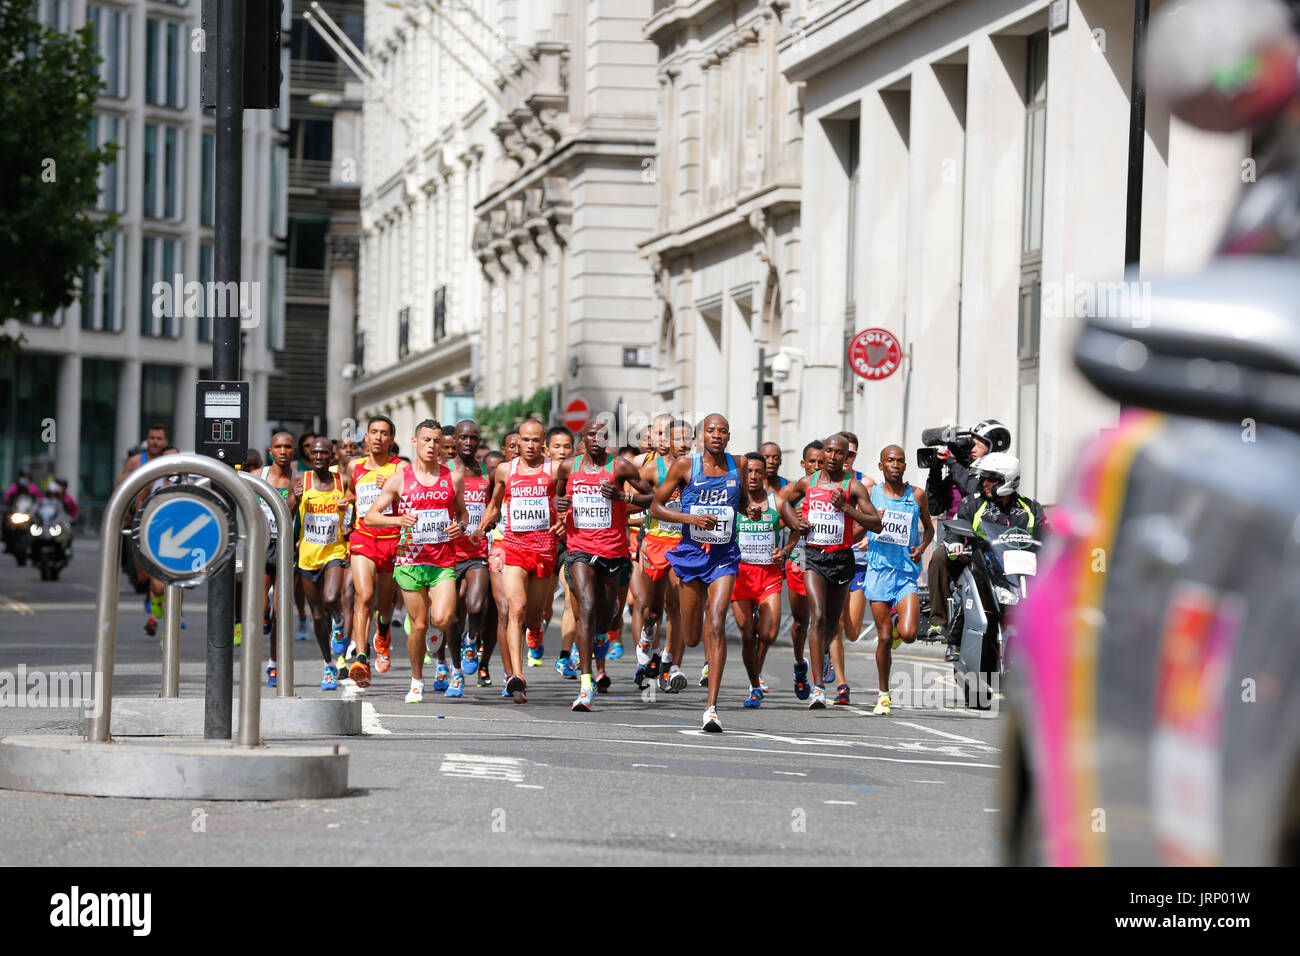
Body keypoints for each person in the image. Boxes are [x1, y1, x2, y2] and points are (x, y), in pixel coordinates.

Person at [650, 414, 763, 732]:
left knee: (716, 623)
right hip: (689, 556)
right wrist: (691, 520)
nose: (717, 435)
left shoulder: (738, 464)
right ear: (701, 436)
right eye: (711, 430)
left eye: (723, 430)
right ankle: (677, 656)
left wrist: (750, 510)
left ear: (729, 436)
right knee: (692, 635)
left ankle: (711, 707)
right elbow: (656, 507)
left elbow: (740, 504)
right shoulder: (685, 465)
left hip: (724, 557)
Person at [364, 420, 469, 701]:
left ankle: (437, 631)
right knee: (418, 625)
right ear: (415, 442)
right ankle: (416, 681)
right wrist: (399, 520)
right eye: (426, 440)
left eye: (436, 441)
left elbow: (463, 514)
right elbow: (371, 516)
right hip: (409, 562)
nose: (432, 446)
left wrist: (460, 525)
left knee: (443, 618)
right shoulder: (400, 478)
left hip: (442, 560)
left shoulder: (453, 477)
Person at [778, 433, 881, 709]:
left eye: (839, 453)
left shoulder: (854, 487)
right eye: (829, 451)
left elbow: (875, 524)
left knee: (833, 625)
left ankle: (821, 652)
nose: (833, 457)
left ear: (847, 458)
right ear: (822, 454)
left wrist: (846, 507)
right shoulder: (807, 482)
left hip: (841, 560)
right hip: (812, 556)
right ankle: (819, 689)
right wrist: (795, 524)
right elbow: (786, 503)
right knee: (818, 615)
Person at [562, 421, 653, 711]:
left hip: (612, 550)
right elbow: (555, 495)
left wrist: (622, 497)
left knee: (606, 616)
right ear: (583, 439)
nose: (597, 440)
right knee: (586, 607)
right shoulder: (568, 467)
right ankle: (586, 683)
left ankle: (603, 631)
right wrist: (559, 503)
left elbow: (651, 497)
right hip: (579, 548)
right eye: (591, 435)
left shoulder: (621, 466)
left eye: (603, 436)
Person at [478, 419, 567, 702]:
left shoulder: (554, 469)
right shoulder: (505, 470)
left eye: (534, 440)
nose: (529, 446)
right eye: (524, 440)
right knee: (515, 608)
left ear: (543, 443)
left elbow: (568, 499)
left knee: (534, 616)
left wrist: (565, 520)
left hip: (544, 549)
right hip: (513, 548)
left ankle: (535, 632)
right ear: (519, 441)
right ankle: (516, 676)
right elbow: (494, 504)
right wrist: (479, 530)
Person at [863, 445, 934, 715]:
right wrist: (869, 525)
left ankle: (897, 628)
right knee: (882, 638)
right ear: (881, 466)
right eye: (890, 460)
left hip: (905, 573)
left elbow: (928, 528)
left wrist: (922, 547)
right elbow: (858, 522)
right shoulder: (872, 495)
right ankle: (883, 695)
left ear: (905, 466)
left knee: (908, 633)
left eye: (900, 461)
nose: (895, 464)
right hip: (879, 571)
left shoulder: (916, 495)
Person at [287, 437, 354, 691]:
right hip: (307, 555)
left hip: (334, 551)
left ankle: (338, 620)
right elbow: (287, 513)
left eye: (324, 453)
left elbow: (352, 509)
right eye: (314, 453)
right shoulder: (300, 481)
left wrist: (347, 513)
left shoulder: (342, 481)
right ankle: (328, 664)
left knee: (330, 598)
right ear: (309, 457)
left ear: (331, 456)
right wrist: (294, 499)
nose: (318, 457)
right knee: (316, 615)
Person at [763, 439, 823, 698]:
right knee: (802, 621)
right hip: (799, 558)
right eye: (812, 462)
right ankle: (800, 663)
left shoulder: (837, 487)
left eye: (821, 462)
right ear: (803, 464)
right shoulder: (794, 489)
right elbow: (775, 519)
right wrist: (793, 522)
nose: (817, 466)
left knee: (822, 617)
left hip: (826, 558)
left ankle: (823, 660)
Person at [347, 417, 400, 684]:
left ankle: (382, 633)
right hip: (363, 537)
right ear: (366, 437)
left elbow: (412, 500)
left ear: (391, 439)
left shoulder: (400, 468)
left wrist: (391, 491)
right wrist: (344, 501)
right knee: (364, 595)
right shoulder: (353, 466)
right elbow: (350, 493)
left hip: (392, 540)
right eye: (373, 432)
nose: (378, 437)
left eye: (384, 433)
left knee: (384, 604)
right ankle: (360, 656)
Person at [731, 453, 787, 708]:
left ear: (765, 475)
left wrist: (784, 552)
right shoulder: (733, 502)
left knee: (769, 634)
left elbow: (797, 528)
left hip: (768, 576)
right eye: (748, 472)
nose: (753, 477)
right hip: (740, 575)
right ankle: (754, 685)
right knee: (746, 635)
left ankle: (757, 673)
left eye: (758, 472)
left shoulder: (777, 501)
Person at [448, 421, 494, 684]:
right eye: (463, 437)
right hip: (449, 553)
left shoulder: (487, 474)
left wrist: (491, 521)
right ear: (455, 439)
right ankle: (455, 668)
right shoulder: (445, 472)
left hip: (478, 550)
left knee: (476, 606)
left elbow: (492, 506)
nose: (468, 442)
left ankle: (471, 638)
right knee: (451, 616)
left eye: (473, 438)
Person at [259, 431, 296, 687]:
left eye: (287, 447)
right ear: (270, 451)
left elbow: (290, 511)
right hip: (262, 547)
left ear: (293, 451)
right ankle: (263, 617)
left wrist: (297, 496)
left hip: (287, 548)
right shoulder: (257, 478)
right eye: (278, 447)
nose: (282, 451)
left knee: (280, 611)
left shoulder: (300, 480)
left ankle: (273, 663)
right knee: (263, 608)